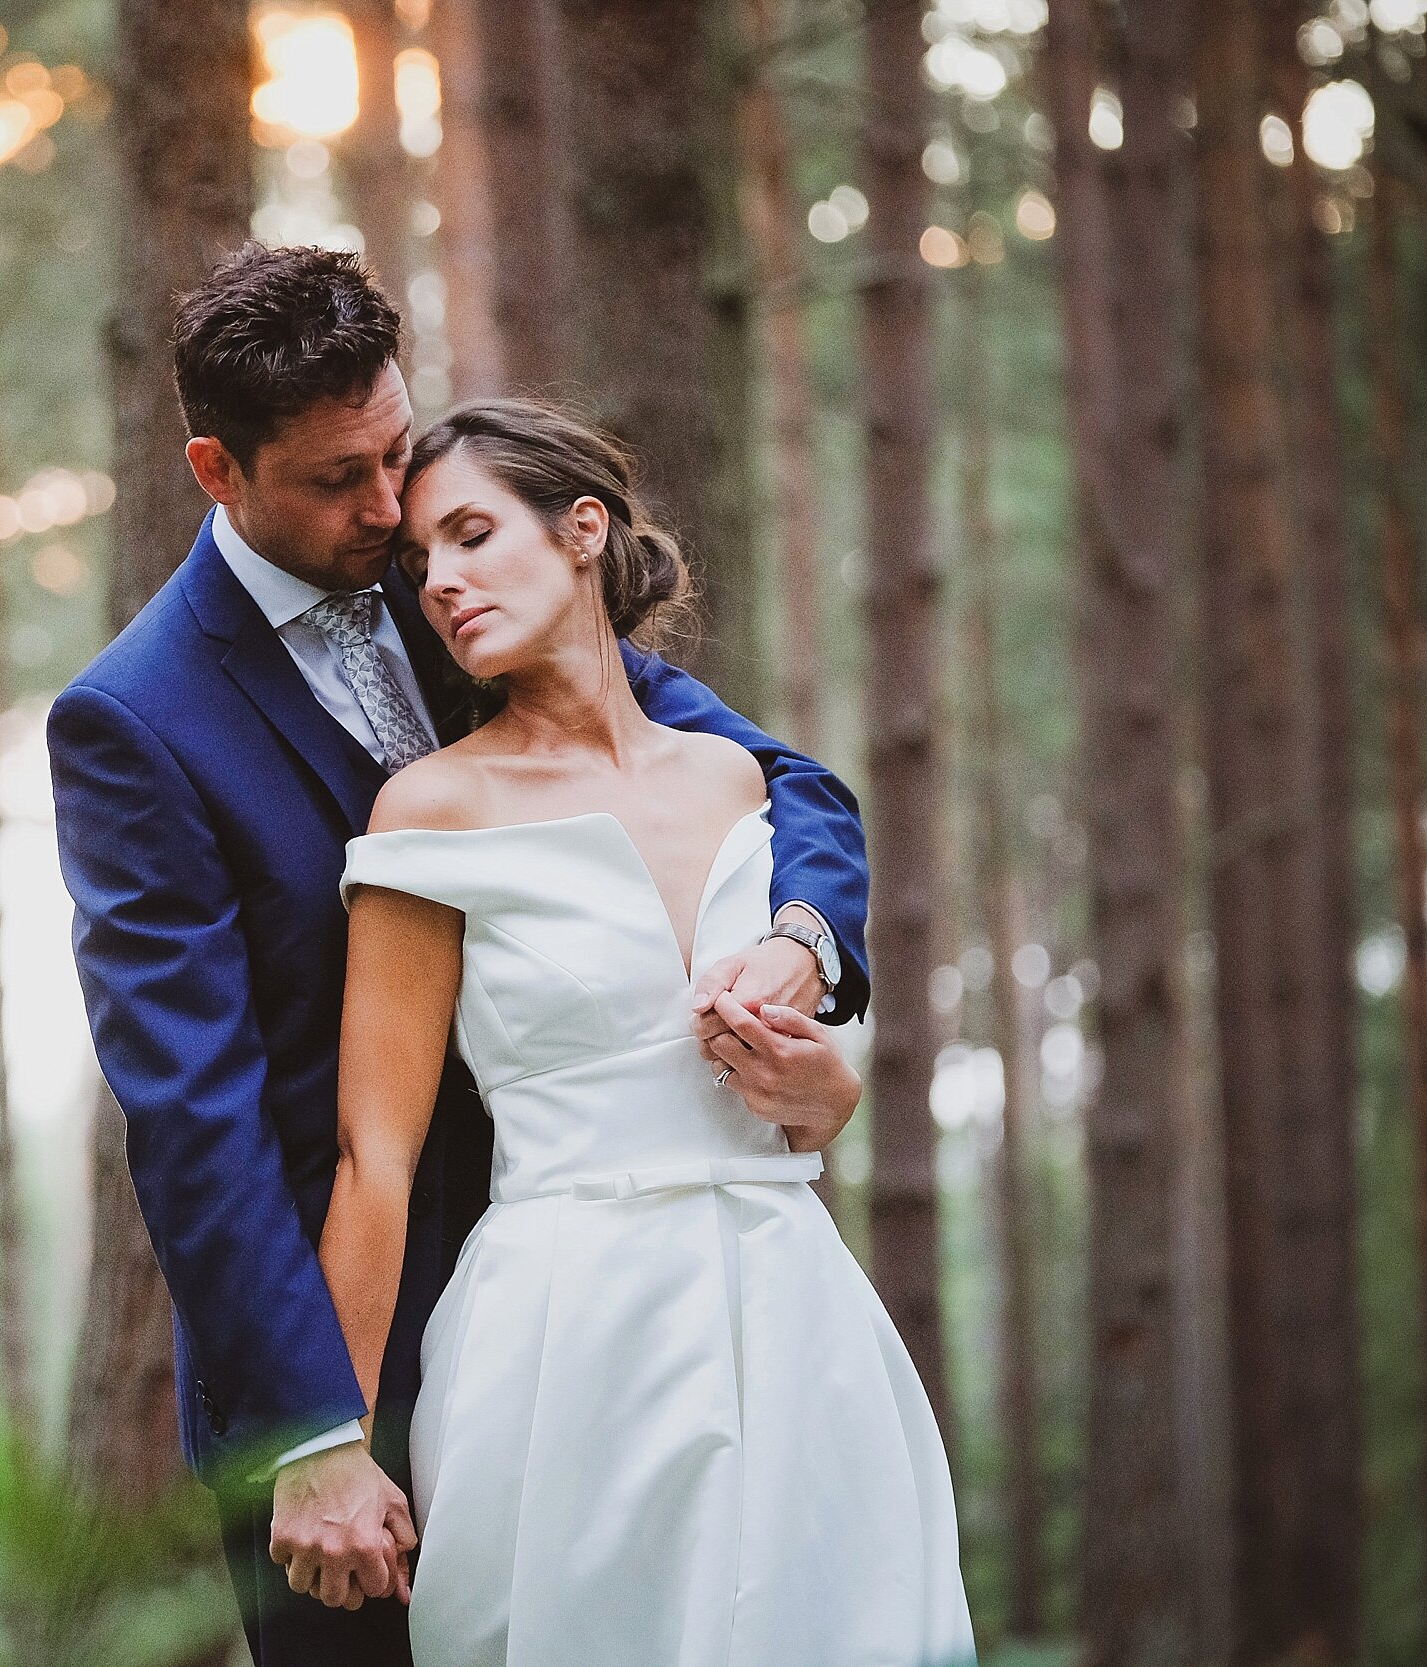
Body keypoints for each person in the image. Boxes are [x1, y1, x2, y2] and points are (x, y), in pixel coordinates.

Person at [47, 244, 869, 1667]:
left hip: (618, 1302)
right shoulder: (136, 721)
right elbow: (195, 1118)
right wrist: (319, 1429)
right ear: (216, 470)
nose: (387, 513)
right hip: (334, 1334)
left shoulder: (469, 583)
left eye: (394, 451)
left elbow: (786, 783)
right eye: (334, 479)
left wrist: (803, 941)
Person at [322, 398, 974, 1666]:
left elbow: (795, 1080)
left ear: (582, 530)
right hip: (567, 1328)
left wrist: (815, 1098)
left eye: (468, 534)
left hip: (794, 1302)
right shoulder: (431, 810)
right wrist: (336, 1440)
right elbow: (375, 1154)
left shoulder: (737, 780)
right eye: (418, 561)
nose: (441, 582)